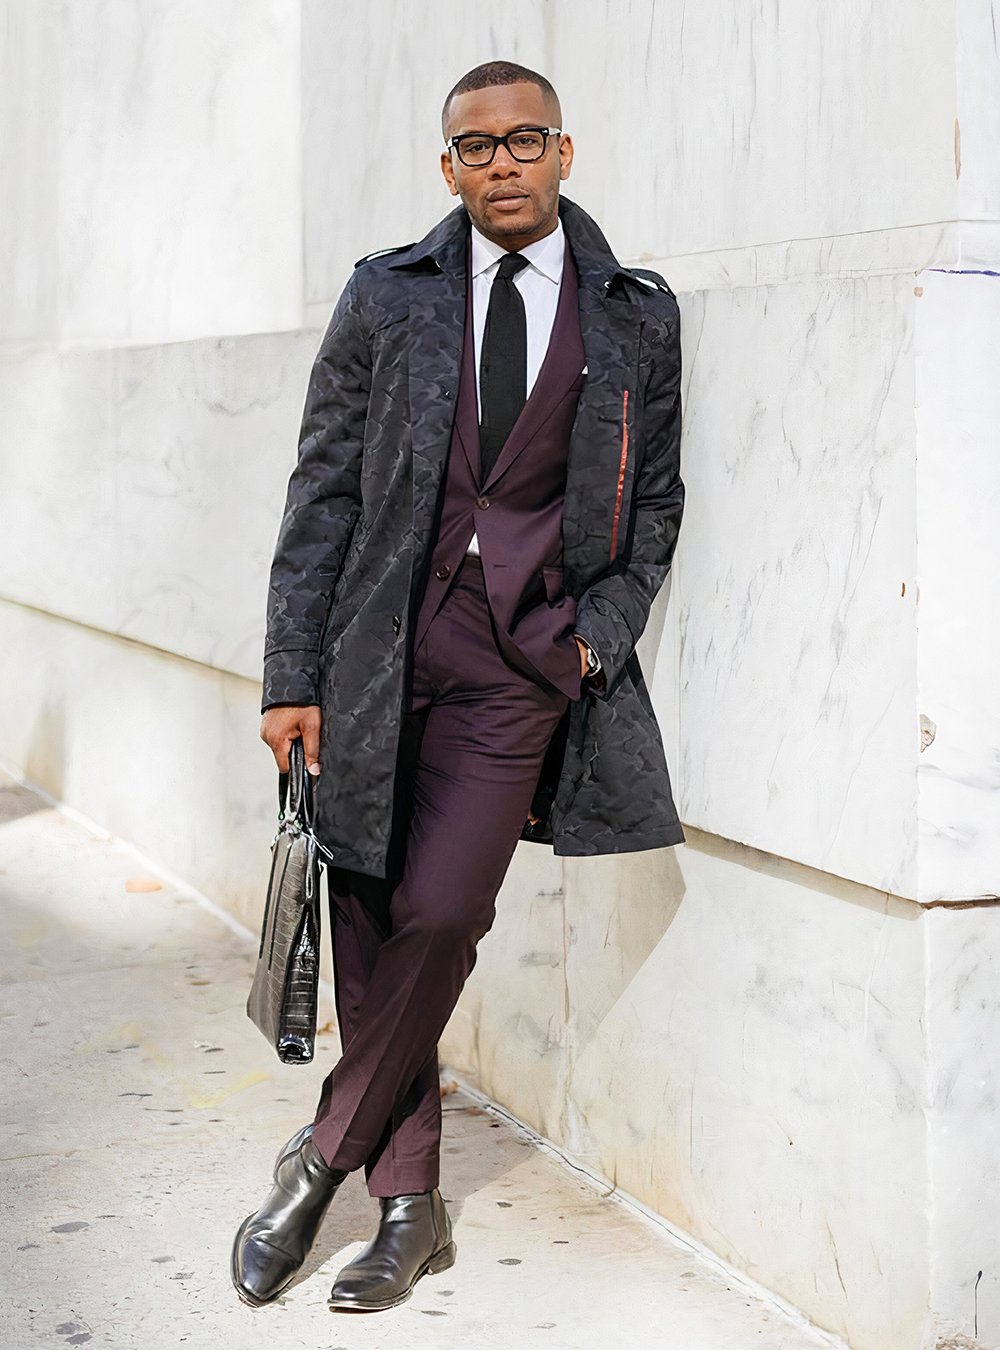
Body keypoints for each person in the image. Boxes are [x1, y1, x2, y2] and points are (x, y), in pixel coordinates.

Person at [232, 59, 685, 1315]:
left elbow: (653, 505)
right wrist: (291, 671)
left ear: (563, 152)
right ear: (448, 167)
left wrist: (597, 635)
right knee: (377, 932)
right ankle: (406, 1206)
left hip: (523, 666)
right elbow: (320, 485)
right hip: (376, 657)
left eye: (523, 141)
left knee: (440, 913)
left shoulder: (636, 316)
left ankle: (319, 1156)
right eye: (475, 148)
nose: (501, 163)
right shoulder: (391, 296)